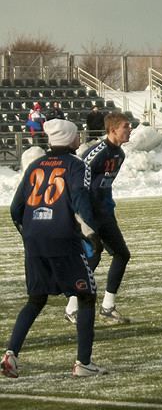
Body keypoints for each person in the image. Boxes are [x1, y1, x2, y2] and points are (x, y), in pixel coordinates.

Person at [4, 119, 107, 378]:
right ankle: (83, 363)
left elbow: (15, 209)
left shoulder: (35, 165)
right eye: (76, 134)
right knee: (86, 297)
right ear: (70, 138)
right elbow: (79, 199)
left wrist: (30, 233)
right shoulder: (76, 165)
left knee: (36, 299)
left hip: (34, 239)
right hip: (63, 239)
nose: (79, 138)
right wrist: (92, 235)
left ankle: (11, 355)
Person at [64, 111, 134, 325]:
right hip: (87, 215)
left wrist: (108, 206)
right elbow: (78, 185)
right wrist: (81, 217)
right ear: (113, 130)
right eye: (126, 126)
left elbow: (104, 185)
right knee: (91, 259)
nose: (129, 130)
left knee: (122, 254)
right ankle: (71, 308)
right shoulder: (96, 153)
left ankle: (108, 306)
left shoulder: (120, 155)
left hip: (104, 214)